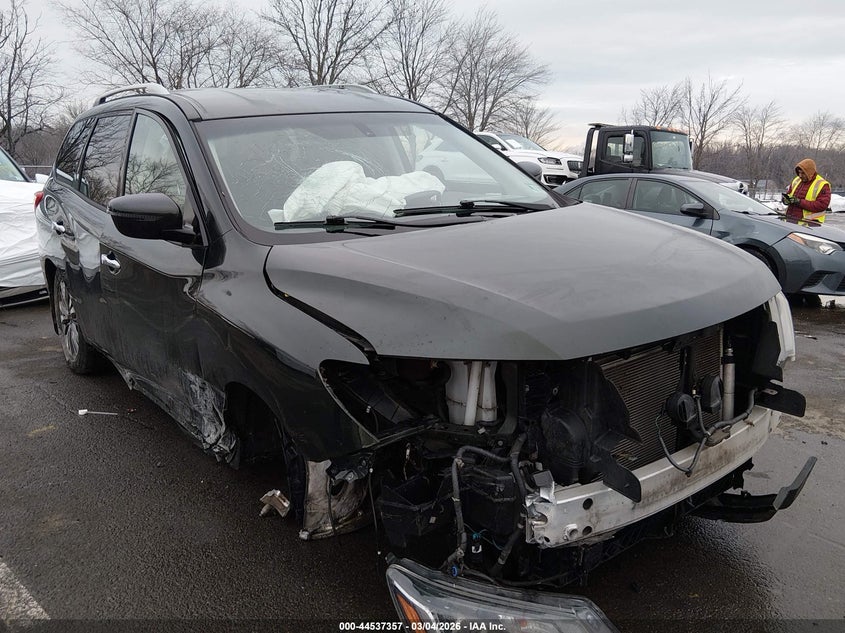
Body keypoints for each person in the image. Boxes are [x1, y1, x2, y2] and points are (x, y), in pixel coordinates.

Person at [782, 158, 831, 224]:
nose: (800, 175)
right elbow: (789, 194)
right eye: (799, 172)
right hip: (790, 221)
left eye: (803, 173)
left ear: (810, 172)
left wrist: (799, 202)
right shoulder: (796, 180)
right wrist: (785, 200)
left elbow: (822, 205)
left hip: (810, 225)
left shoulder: (822, 184)